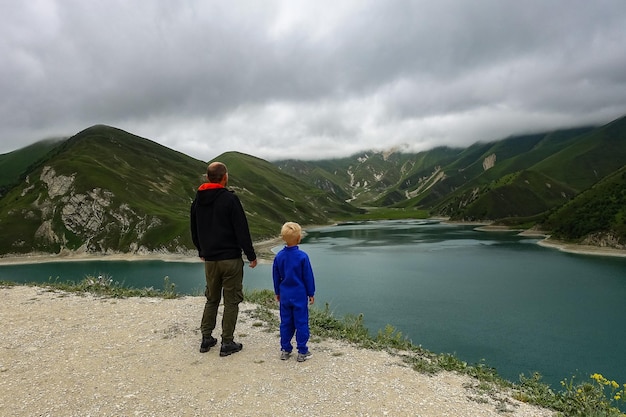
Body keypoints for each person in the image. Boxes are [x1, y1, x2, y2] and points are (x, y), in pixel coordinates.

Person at [190, 161, 257, 357]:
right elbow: (241, 229)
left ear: (207, 177)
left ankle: (206, 338)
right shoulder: (229, 199)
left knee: (211, 298)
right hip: (230, 259)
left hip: (210, 260)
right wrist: (251, 255)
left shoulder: (197, 200)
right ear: (225, 177)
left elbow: (194, 229)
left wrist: (201, 250)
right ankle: (227, 342)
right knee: (231, 301)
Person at [272, 222, 316, 362]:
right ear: (298, 238)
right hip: (299, 295)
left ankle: (285, 350)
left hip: (285, 295)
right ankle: (302, 351)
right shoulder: (303, 256)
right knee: (301, 322)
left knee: (286, 322)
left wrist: (277, 291)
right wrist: (311, 293)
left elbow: (276, 276)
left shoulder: (279, 256)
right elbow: (308, 276)